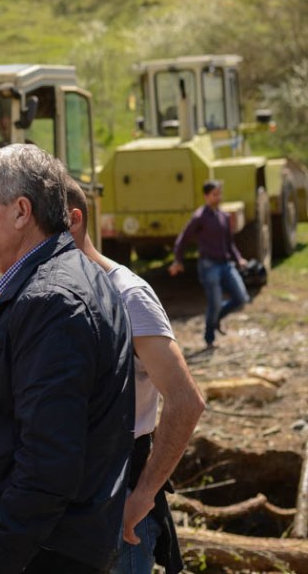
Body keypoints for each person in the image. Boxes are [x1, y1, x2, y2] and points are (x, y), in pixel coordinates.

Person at [0, 144, 134, 574]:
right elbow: (43, 414)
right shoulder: (60, 283)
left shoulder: (52, 300)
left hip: (40, 557)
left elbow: (49, 464)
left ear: (21, 211)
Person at [65, 182, 205, 574]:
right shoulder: (47, 295)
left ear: (73, 222)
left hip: (118, 502)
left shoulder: (127, 296)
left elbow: (185, 400)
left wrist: (143, 495)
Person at [169, 179, 251, 349]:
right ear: (206, 196)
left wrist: (239, 259)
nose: (218, 197)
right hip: (209, 266)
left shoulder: (223, 216)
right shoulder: (200, 217)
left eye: (219, 194)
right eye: (215, 194)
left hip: (226, 264)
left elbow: (230, 243)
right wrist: (178, 259)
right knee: (214, 301)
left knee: (241, 297)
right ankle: (209, 337)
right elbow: (183, 238)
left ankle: (216, 318)